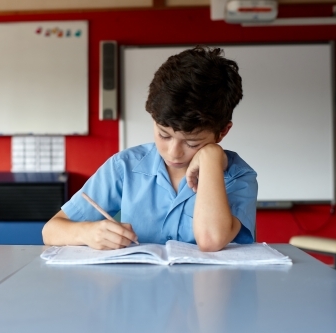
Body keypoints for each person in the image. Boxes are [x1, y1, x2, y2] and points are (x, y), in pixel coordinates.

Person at [42, 45, 257, 252]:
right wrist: (87, 233)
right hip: (137, 287)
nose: (174, 152)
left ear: (222, 132)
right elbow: (51, 231)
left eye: (192, 143)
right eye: (164, 135)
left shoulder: (238, 177)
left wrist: (211, 157)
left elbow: (210, 240)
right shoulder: (125, 167)